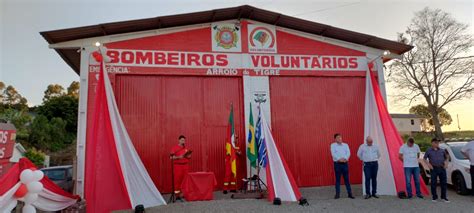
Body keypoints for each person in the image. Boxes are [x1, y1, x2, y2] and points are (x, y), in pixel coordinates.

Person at [423, 138, 449, 202]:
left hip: (442, 168)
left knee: (443, 183)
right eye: (436, 142)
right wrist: (428, 164)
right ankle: (434, 197)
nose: (437, 144)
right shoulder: (429, 150)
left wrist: (446, 163)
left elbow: (447, 157)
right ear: (432, 143)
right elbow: (424, 159)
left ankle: (444, 197)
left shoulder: (442, 150)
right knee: (433, 183)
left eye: (438, 142)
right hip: (433, 168)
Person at [330, 133, 354, 199]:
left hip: (345, 164)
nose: (340, 138)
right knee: (338, 180)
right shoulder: (333, 145)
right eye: (338, 137)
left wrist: (345, 158)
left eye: (340, 137)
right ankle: (337, 194)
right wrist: (339, 159)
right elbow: (333, 154)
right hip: (337, 164)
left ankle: (350, 194)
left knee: (347, 179)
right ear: (335, 139)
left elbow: (348, 152)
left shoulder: (345, 145)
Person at [170, 135, 192, 202]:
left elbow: (189, 157)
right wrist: (179, 157)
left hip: (185, 166)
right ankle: (177, 195)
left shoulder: (186, 148)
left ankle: (183, 194)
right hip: (178, 166)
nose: (183, 141)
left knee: (185, 180)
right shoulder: (174, 148)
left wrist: (188, 155)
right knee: (177, 180)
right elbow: (171, 157)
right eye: (182, 140)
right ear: (179, 140)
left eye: (184, 140)